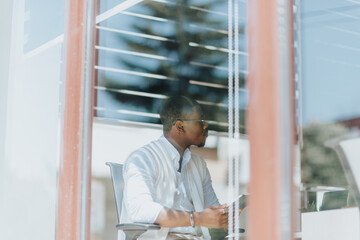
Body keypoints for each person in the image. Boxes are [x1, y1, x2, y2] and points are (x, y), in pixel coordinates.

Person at [120, 95, 228, 240]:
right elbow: (141, 210)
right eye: (200, 121)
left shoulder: (198, 164)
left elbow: (212, 209)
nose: (205, 125)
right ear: (180, 126)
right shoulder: (143, 158)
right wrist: (196, 218)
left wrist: (225, 216)